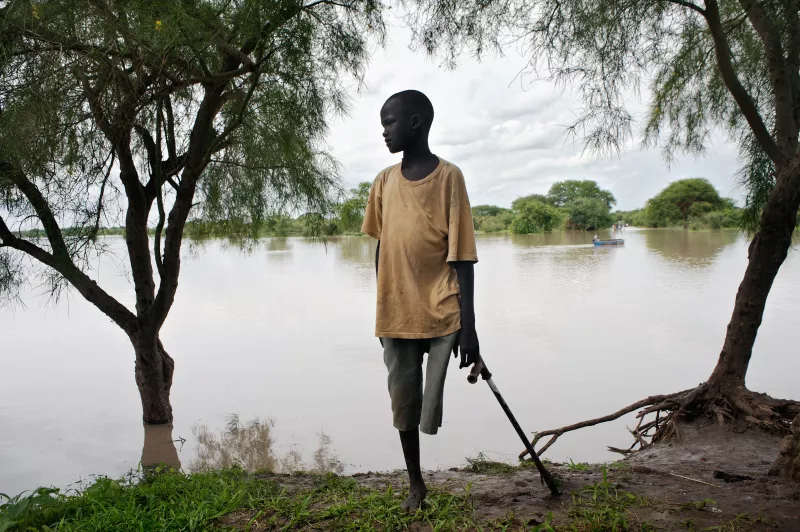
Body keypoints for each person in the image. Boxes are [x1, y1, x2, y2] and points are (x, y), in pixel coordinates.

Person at [361, 90, 480, 511]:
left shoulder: (449, 177)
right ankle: (416, 482)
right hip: (396, 310)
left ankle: (421, 473)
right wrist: (382, 298)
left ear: (415, 123)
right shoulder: (384, 182)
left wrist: (470, 329)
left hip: (442, 304)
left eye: (389, 122)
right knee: (403, 399)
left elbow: (462, 256)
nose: (384, 131)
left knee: (431, 400)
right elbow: (381, 246)